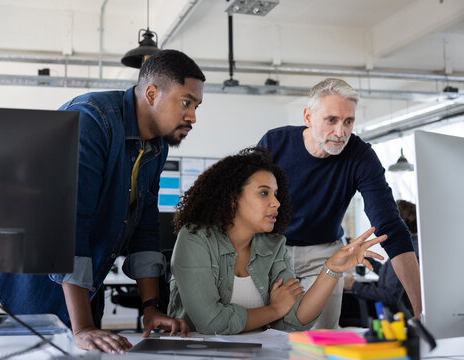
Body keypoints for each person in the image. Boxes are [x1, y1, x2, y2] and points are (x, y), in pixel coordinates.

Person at [0, 50, 205, 353]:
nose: (192, 116)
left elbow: (144, 226)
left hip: (83, 292)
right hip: (25, 296)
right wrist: (84, 326)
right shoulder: (91, 119)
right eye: (186, 102)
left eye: (196, 106)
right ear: (152, 93)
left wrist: (151, 308)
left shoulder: (157, 146)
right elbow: (69, 224)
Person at [257, 78, 421, 329]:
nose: (340, 132)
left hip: (324, 254)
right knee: (268, 332)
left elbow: (390, 225)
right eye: (331, 120)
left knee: (321, 337)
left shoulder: (361, 156)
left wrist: (420, 309)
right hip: (271, 247)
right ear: (308, 117)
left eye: (348, 122)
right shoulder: (275, 143)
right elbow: (244, 204)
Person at [167, 147, 386, 334]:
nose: (276, 203)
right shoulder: (195, 238)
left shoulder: (273, 245)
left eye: (276, 194)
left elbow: (295, 320)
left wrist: (332, 269)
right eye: (264, 193)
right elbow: (211, 323)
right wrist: (273, 310)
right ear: (232, 199)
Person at [343, 200, 418, 313]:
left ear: (400, 222)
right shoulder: (407, 245)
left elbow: (390, 295)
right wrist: (362, 253)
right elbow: (386, 273)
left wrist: (353, 285)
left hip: (398, 320)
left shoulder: (404, 252)